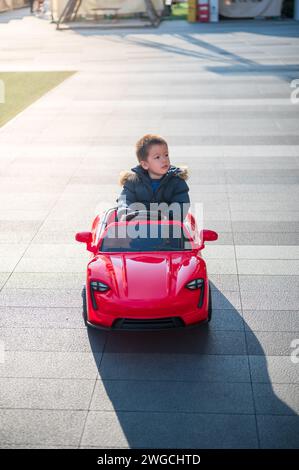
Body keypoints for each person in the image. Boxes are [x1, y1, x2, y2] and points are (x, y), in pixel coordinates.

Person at [117, 134, 190, 222]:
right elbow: (125, 200)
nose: (164, 160)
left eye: (166, 155)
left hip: (166, 229)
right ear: (145, 164)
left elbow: (181, 203)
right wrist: (126, 213)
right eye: (157, 157)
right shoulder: (133, 182)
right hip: (138, 227)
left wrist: (168, 217)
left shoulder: (176, 181)